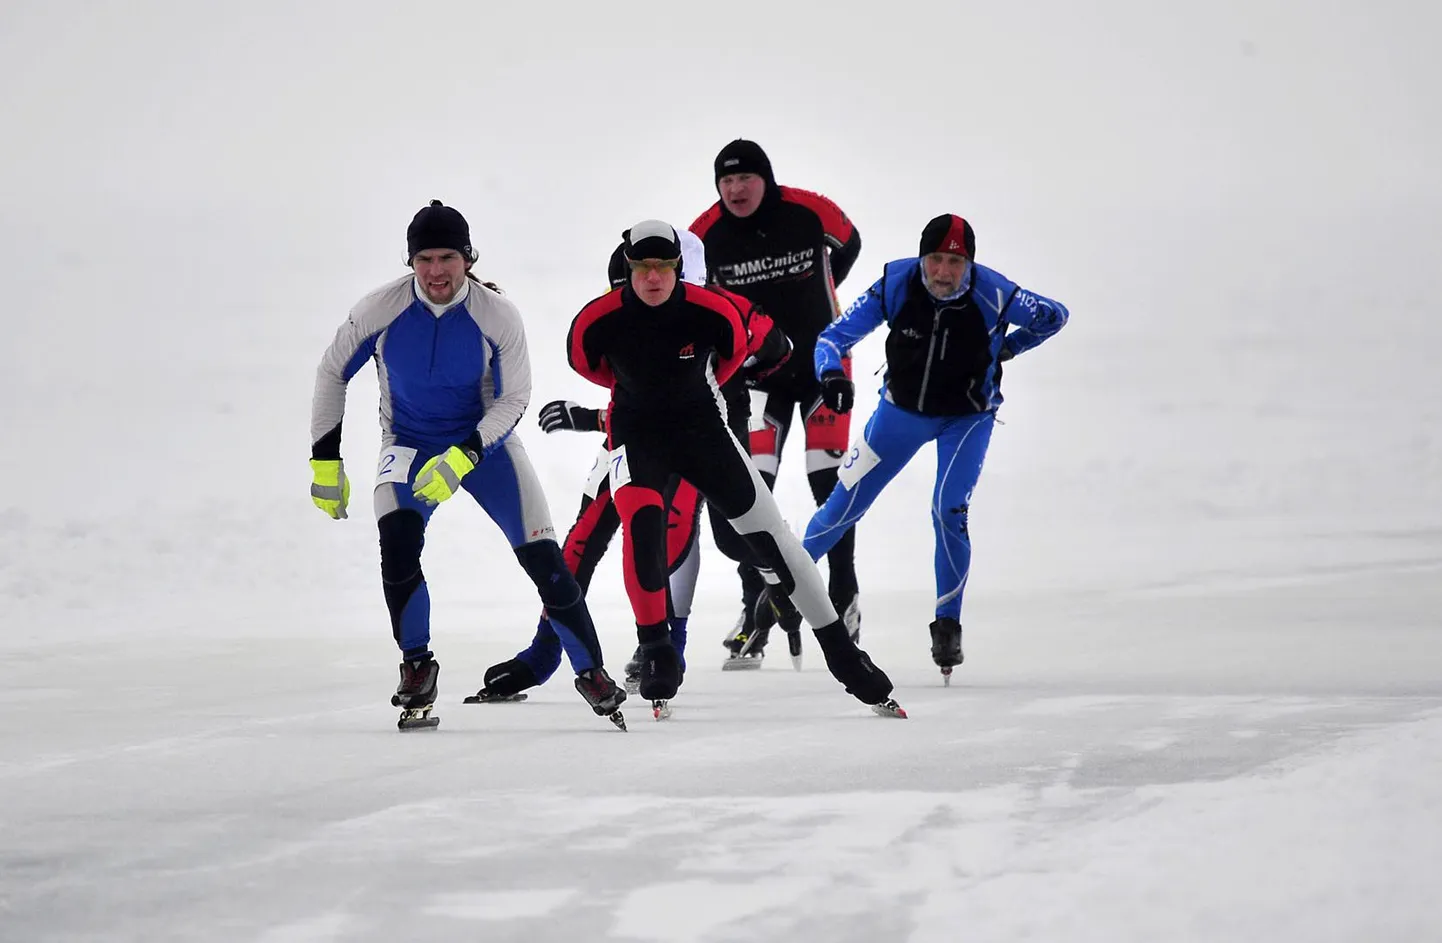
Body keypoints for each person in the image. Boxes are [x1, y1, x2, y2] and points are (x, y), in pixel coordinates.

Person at [308, 200, 627, 729]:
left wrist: (464, 456)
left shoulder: (496, 314)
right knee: (399, 545)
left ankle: (591, 671)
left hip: (487, 446)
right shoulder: (378, 309)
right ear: (411, 261)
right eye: (426, 259)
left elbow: (516, 397)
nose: (437, 271)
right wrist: (325, 461)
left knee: (544, 561)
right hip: (408, 444)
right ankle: (417, 665)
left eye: (448, 258)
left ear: (468, 259)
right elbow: (331, 372)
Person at [566, 219, 903, 717]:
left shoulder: (713, 311)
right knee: (645, 532)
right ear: (628, 268)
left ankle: (844, 656)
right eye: (642, 267)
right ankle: (657, 648)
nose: (653, 278)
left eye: (663, 267)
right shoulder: (597, 320)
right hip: (637, 439)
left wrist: (688, 399)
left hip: (704, 432)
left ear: (680, 268)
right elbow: (588, 366)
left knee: (772, 539)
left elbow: (733, 361)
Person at [474, 229, 793, 705]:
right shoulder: (630, 296)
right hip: (635, 432)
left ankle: (689, 636)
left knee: (685, 532)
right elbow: (629, 374)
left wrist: (747, 396)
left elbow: (778, 349)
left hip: (702, 435)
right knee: (584, 535)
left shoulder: (723, 308)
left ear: (685, 277)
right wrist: (601, 417)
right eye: (632, 281)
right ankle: (544, 652)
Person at [795, 213, 1069, 683]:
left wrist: (1010, 348)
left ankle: (947, 626)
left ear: (969, 265)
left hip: (966, 420)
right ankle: (783, 586)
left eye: (955, 262)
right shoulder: (895, 283)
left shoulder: (995, 292)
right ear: (922, 257)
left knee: (949, 510)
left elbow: (1054, 316)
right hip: (899, 415)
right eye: (936, 260)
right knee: (841, 507)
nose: (944, 272)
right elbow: (832, 338)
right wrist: (833, 375)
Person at [689, 139, 865, 660]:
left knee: (825, 477)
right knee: (751, 487)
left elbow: (850, 243)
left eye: (745, 179)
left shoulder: (809, 210)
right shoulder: (705, 232)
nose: (736, 190)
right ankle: (757, 603)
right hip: (758, 372)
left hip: (822, 364)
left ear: (766, 179)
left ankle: (844, 589)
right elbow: (692, 290)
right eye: (726, 181)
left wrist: (824, 292)